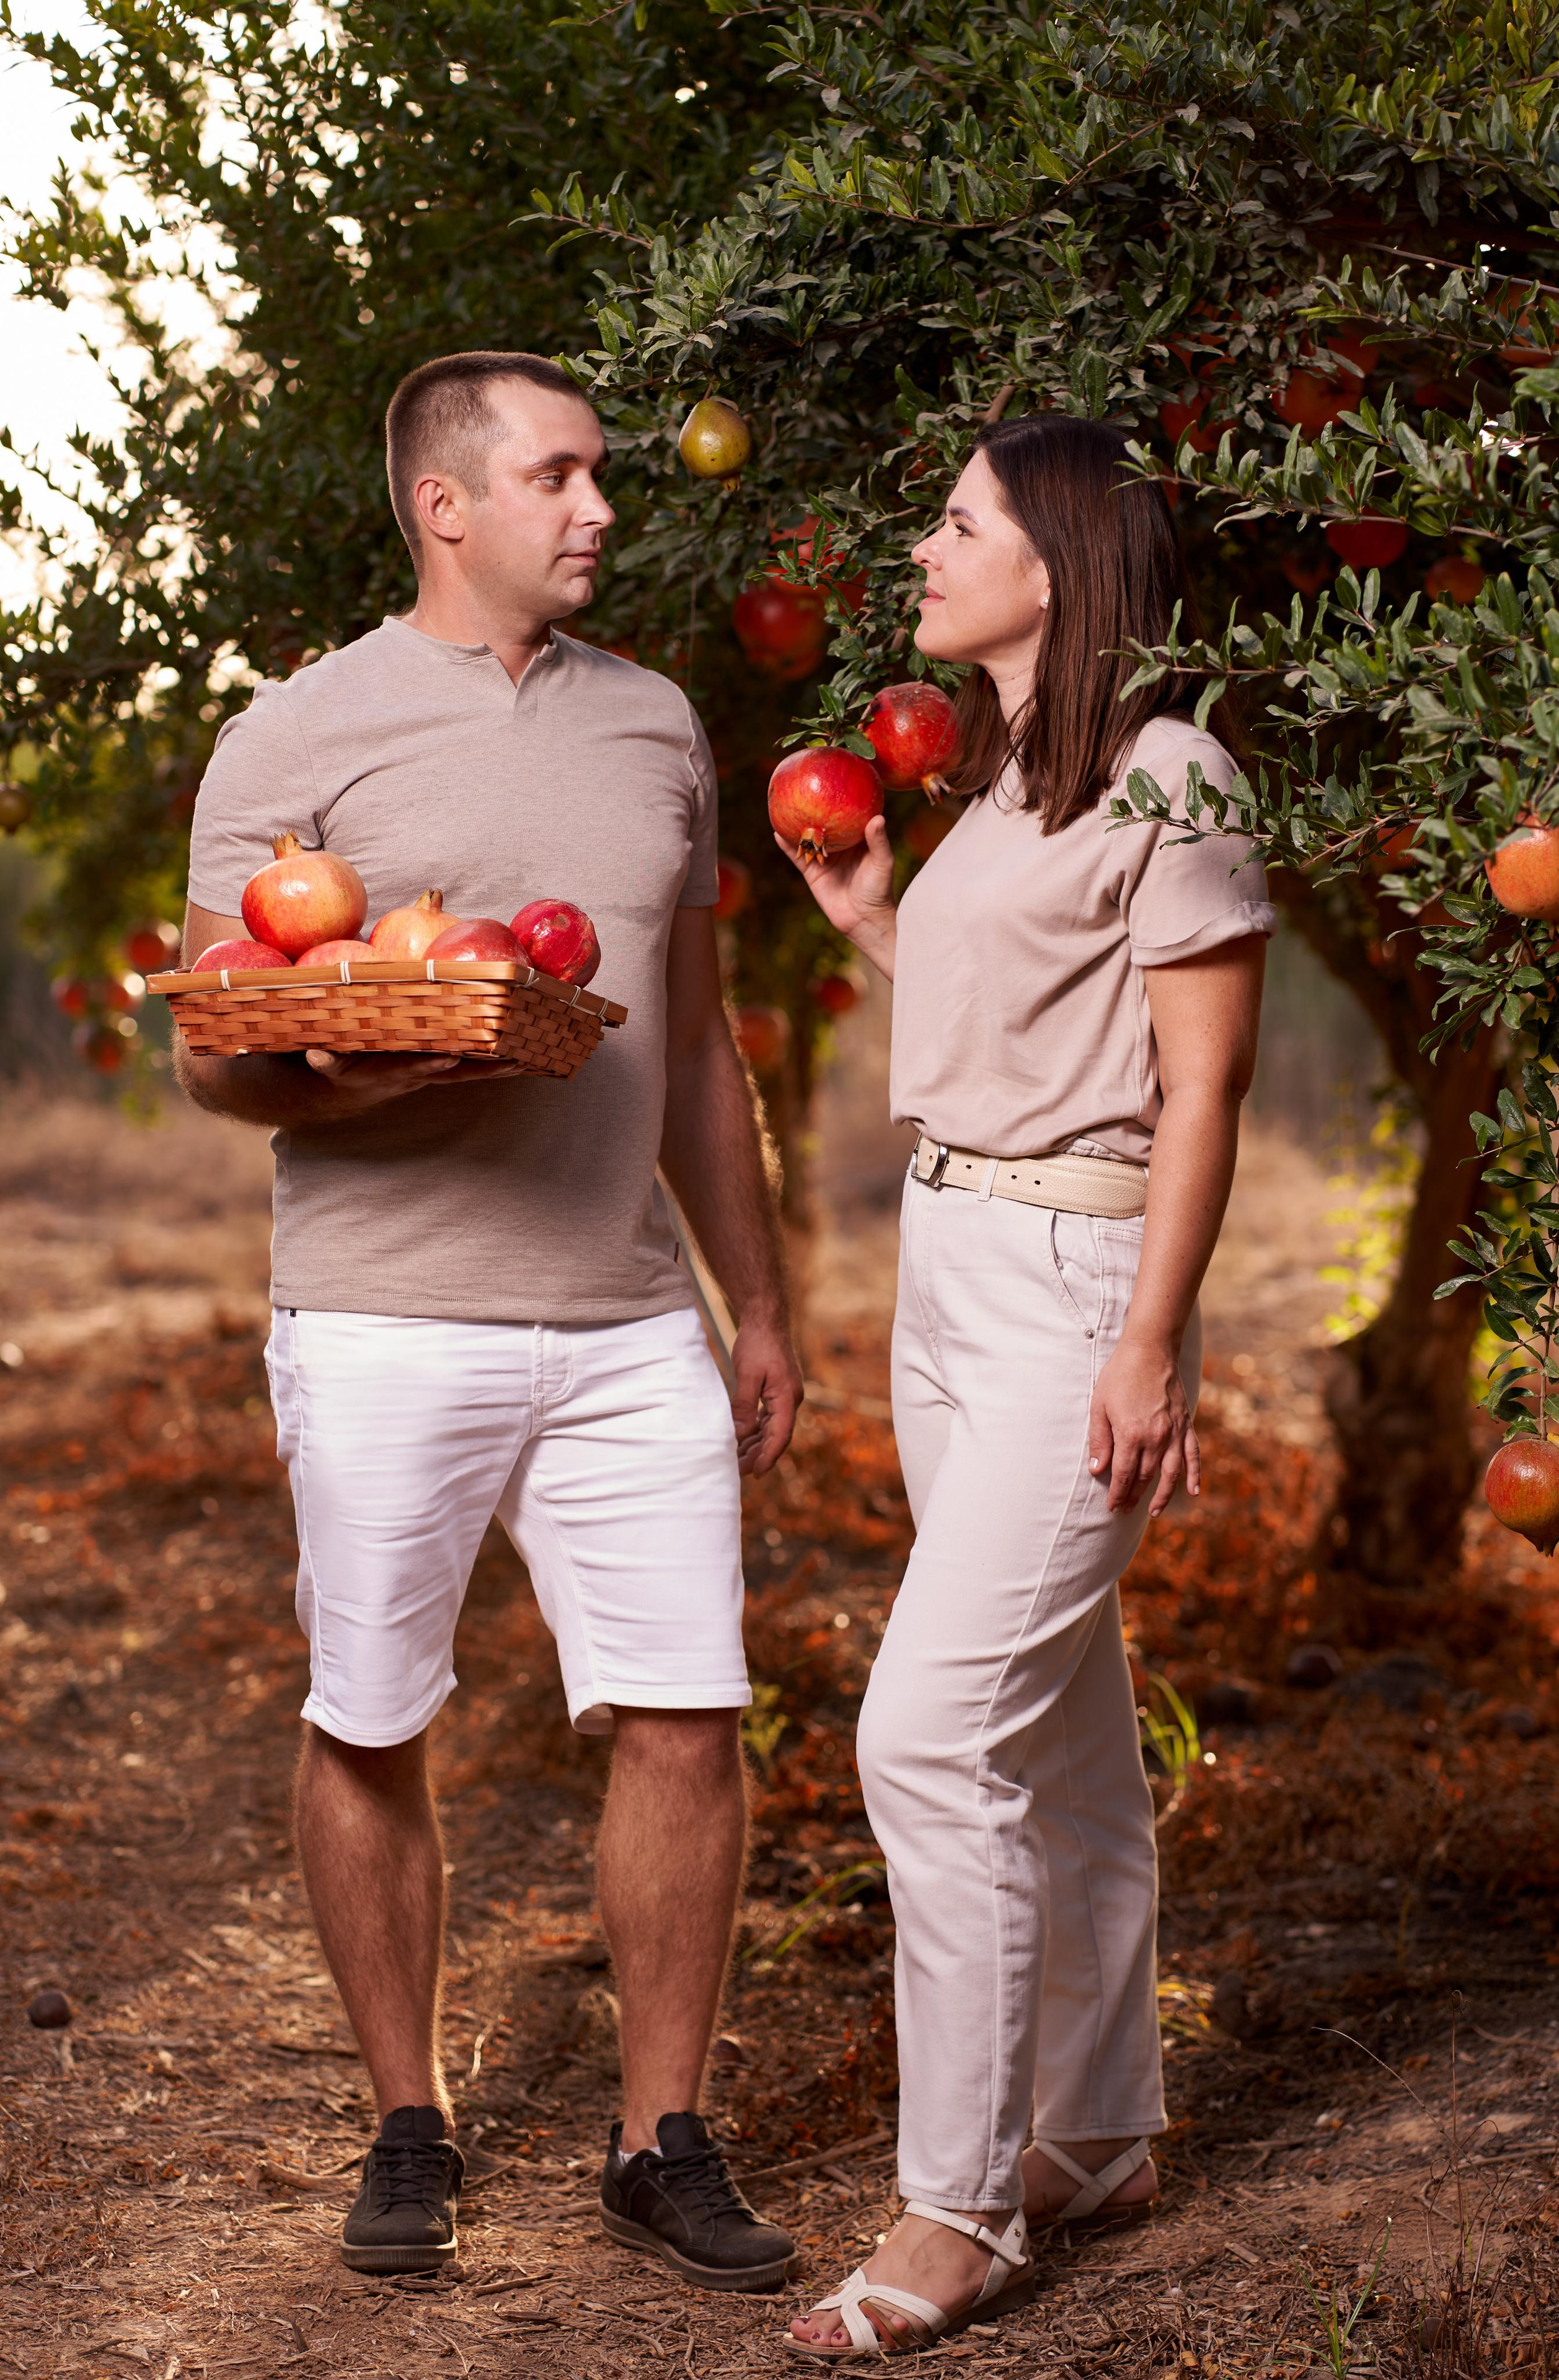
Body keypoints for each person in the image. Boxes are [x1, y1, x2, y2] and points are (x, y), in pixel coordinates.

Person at [175, 350, 802, 2293]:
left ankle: (660, 2135)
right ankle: (407, 2121)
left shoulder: (663, 725)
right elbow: (225, 1051)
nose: (601, 505)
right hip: (382, 1315)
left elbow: (695, 1044)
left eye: (604, 472)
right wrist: (355, 1091)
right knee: (373, 1720)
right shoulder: (297, 735)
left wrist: (754, 1300)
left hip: (627, 1320)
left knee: (690, 1713)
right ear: (447, 505)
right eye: (560, 476)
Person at [777, 415, 1273, 2357]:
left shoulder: (1176, 777)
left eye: (959, 520)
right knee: (1055, 1728)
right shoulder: (1000, 782)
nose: (927, 544)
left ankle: (958, 2206)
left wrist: (1152, 1342)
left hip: (1080, 1284)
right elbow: (1005, 1035)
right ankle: (1097, 2129)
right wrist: (876, 923)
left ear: (1055, 564)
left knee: (926, 1735)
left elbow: (1204, 1088)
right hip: (950, 1269)